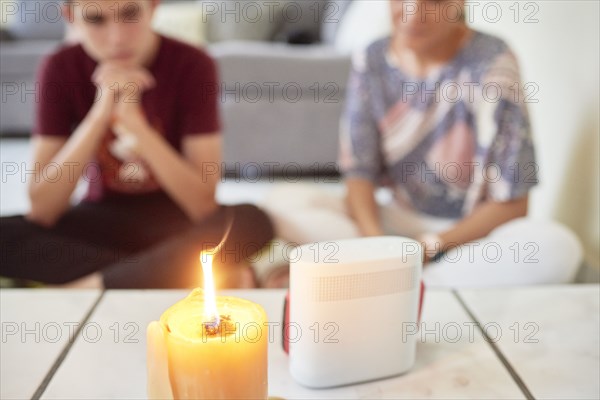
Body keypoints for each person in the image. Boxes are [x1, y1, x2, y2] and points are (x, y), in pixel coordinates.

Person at [263, 0, 582, 287]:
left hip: (467, 237)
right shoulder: (371, 59)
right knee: (282, 201)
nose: (414, 12)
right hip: (395, 222)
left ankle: (409, 283)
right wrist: (377, 247)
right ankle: (394, 276)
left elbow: (514, 205)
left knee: (557, 247)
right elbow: (359, 174)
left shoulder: (495, 63)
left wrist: (428, 247)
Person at [0, 0, 273, 289]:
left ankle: (94, 284)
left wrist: (135, 125)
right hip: (101, 219)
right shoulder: (60, 66)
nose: (117, 37)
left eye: (130, 14)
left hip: (175, 223)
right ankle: (154, 274)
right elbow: (42, 210)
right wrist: (99, 114)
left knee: (250, 221)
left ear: (153, 7)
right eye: (95, 20)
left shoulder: (193, 63)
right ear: (71, 18)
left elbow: (203, 205)